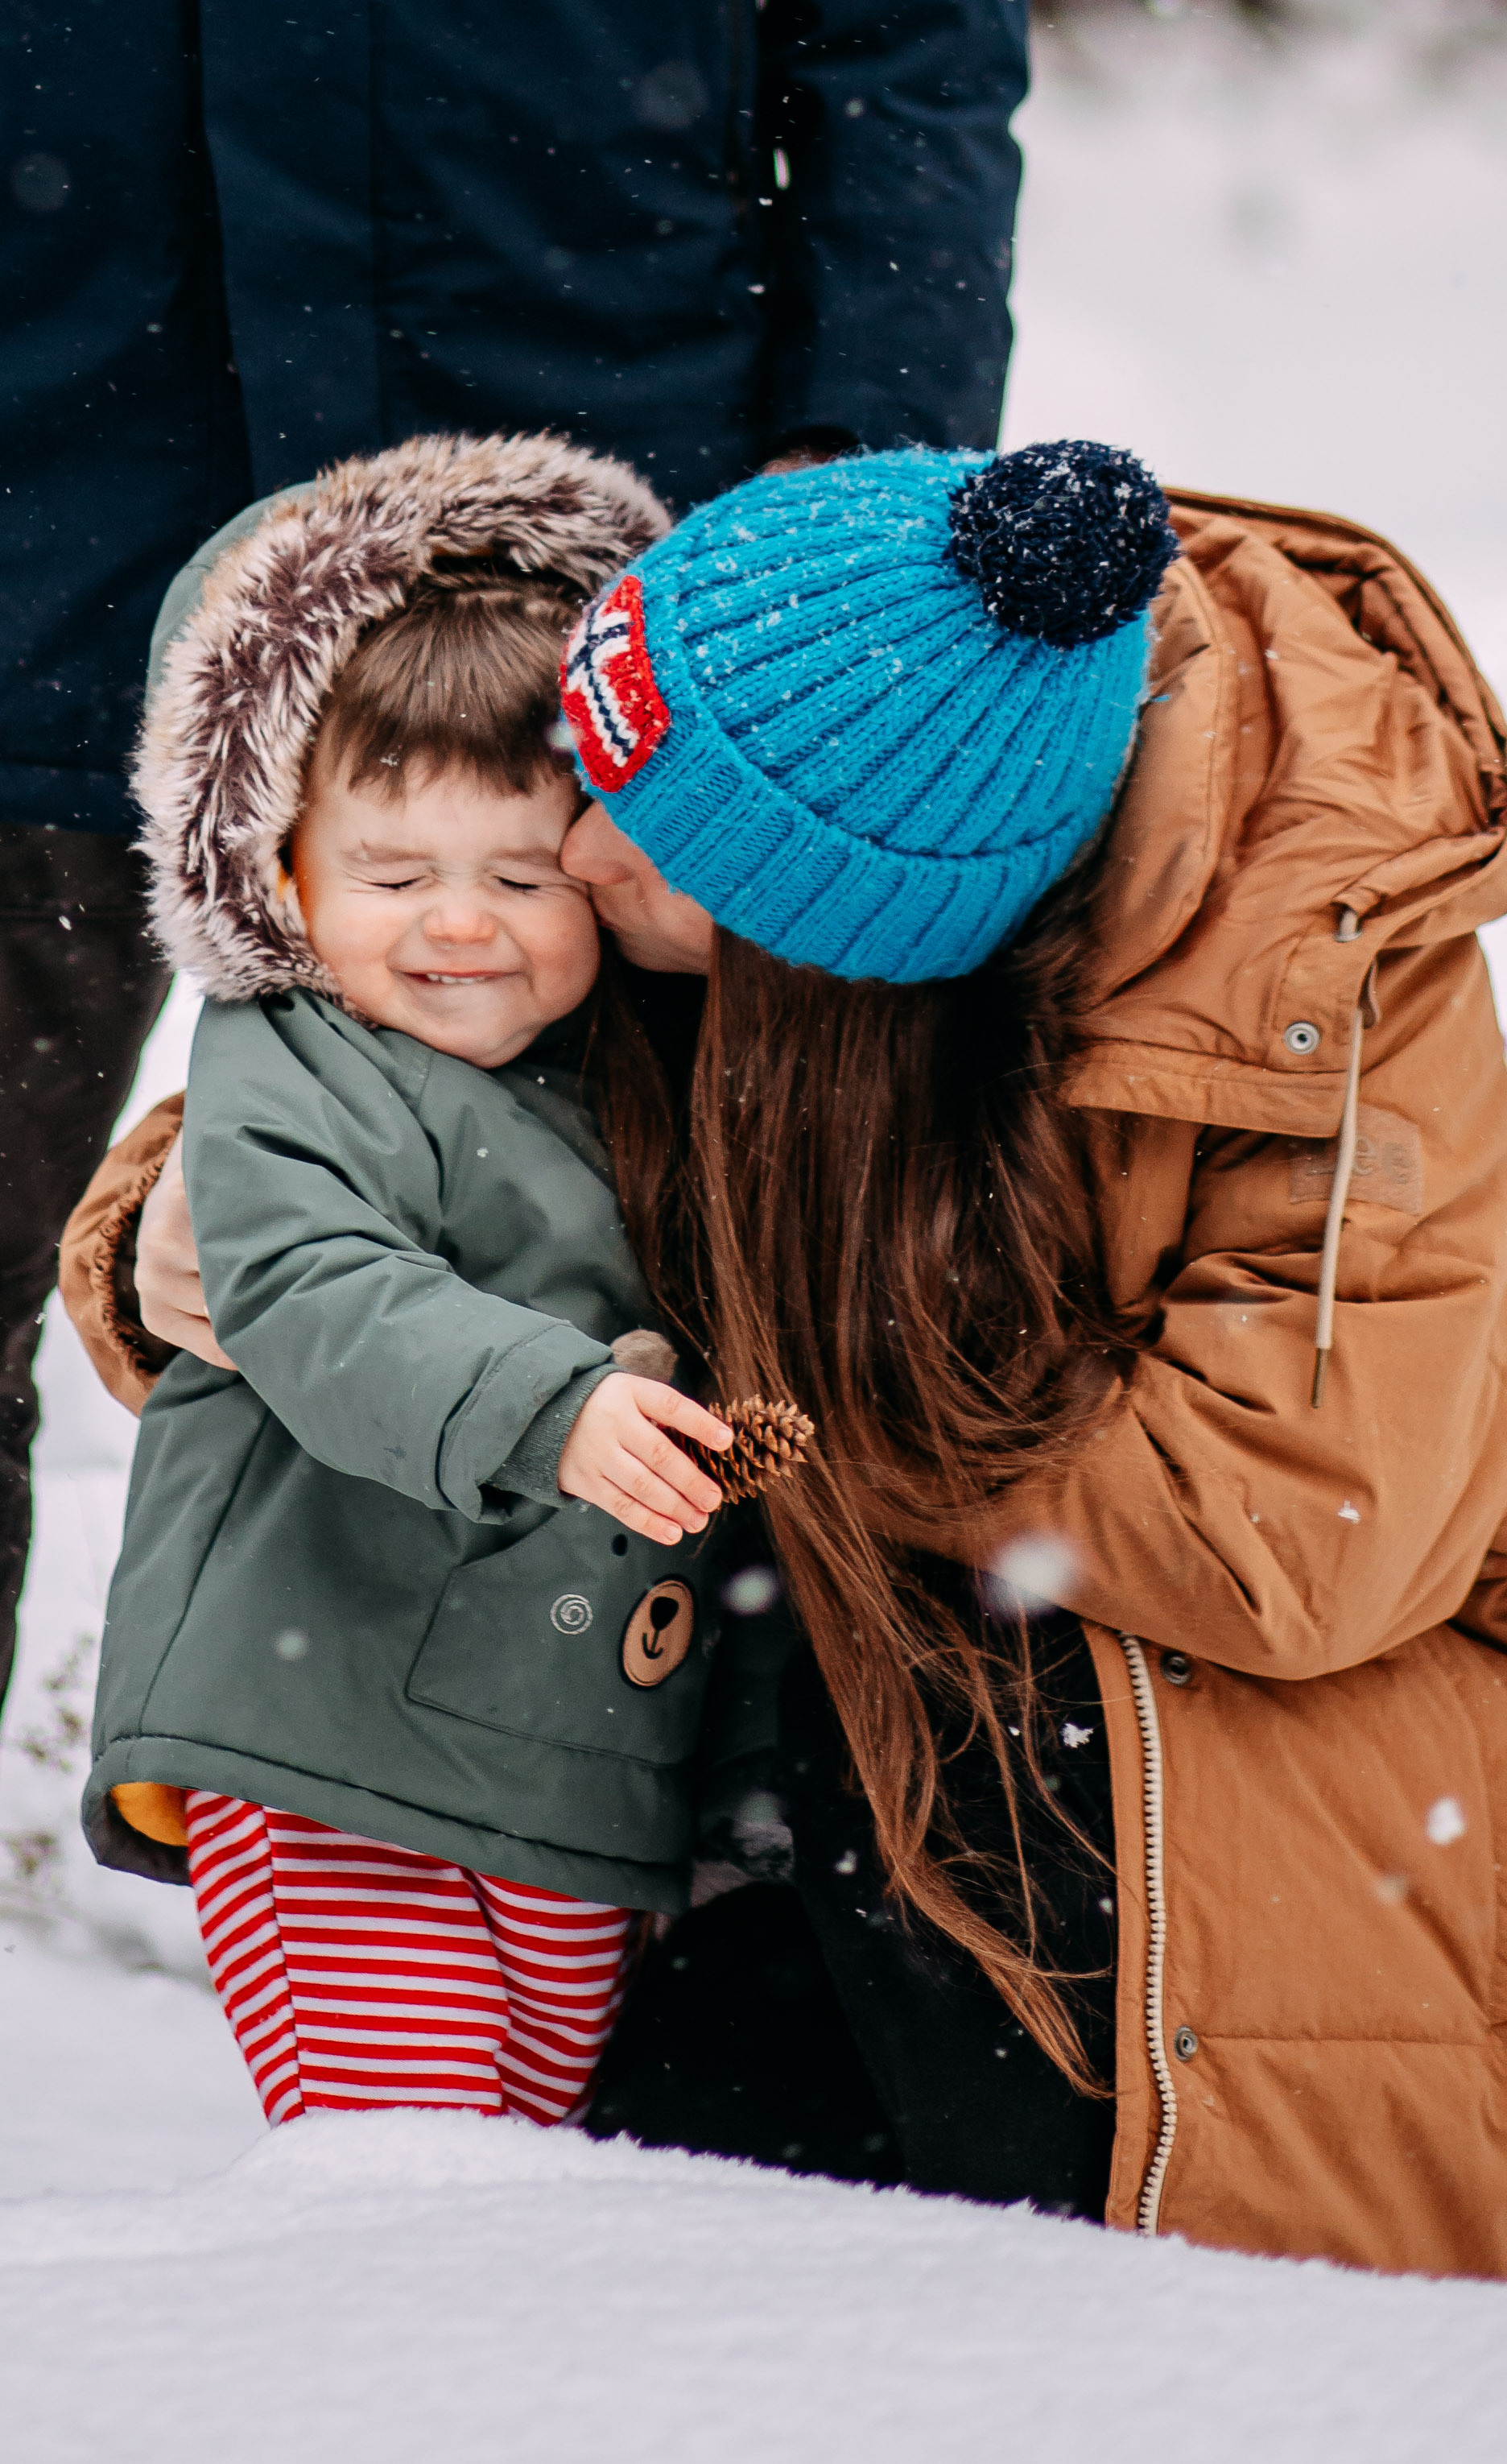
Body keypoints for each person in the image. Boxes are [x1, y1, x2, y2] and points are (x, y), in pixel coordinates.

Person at [65, 440, 1507, 2288]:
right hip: (860, 1687)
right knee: (663, 2185)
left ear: (830, 969)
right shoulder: (823, 649)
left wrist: (795, 1399)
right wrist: (170, 1229)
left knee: (891, 2092)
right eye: (587, 771)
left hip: (1370, 1742)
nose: (575, 852)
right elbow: (410, 1075)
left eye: (642, 844)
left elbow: (1298, 1537)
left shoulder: (1317, 983)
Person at [0, 2, 1030, 1706]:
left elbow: (908, 45)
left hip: (610, 540)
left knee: (694, 1287)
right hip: (58, 489)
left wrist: (852, 466)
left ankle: (661, 1837)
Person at [80, 428, 786, 2131]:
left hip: (572, 1761)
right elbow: (310, 1286)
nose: (461, 925)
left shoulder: (639, 1064)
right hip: (321, 1729)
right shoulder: (291, 1054)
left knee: (525, 2166)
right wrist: (552, 1405)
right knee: (404, 2155)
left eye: (524, 877)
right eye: (395, 877)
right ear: (279, 871)